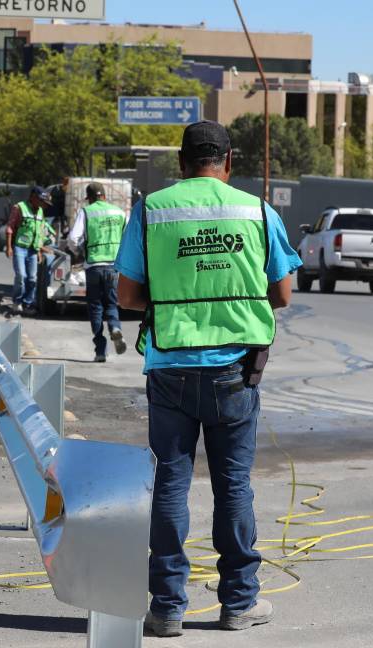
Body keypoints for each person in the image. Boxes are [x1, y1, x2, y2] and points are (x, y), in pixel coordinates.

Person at [116, 121, 302, 638]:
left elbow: (127, 297)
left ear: (181, 162)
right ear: (229, 160)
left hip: (171, 366)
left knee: (171, 484)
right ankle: (239, 603)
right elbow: (283, 295)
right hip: (236, 372)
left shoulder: (152, 211)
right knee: (233, 486)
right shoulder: (257, 212)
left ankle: (167, 608)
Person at [68, 181, 128, 362]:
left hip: (93, 266)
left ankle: (100, 351)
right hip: (114, 267)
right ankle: (115, 328)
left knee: (95, 307)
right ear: (104, 196)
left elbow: (73, 238)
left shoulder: (86, 212)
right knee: (111, 303)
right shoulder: (119, 213)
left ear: (90, 198)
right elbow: (129, 237)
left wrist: (79, 251)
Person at [5, 186, 52, 316]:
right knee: (21, 276)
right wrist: (9, 247)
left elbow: (40, 232)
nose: (43, 204)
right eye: (41, 200)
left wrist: (40, 250)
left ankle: (27, 303)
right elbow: (10, 227)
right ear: (33, 197)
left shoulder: (41, 212)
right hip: (20, 247)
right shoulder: (19, 207)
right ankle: (17, 302)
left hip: (33, 250)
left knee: (32, 278)